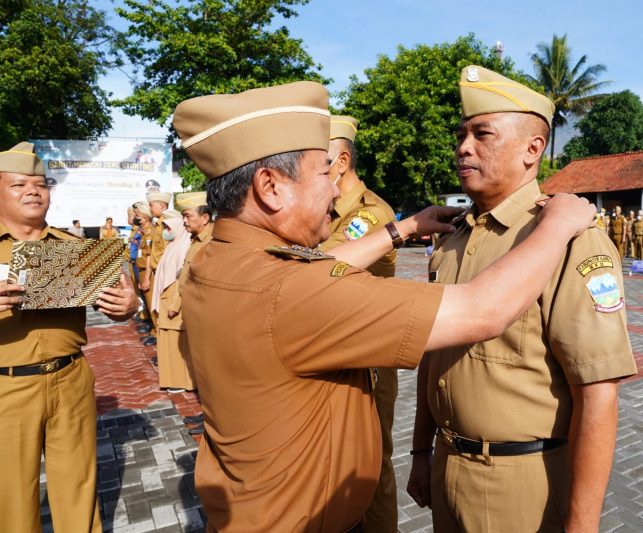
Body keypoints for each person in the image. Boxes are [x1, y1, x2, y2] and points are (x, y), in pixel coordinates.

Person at [172, 81, 596, 532]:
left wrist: (404, 227)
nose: (335, 193)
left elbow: (306, 273)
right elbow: (482, 311)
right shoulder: (288, 290)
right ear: (270, 187)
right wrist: (559, 225)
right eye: (323, 175)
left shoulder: (214, 261)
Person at [407, 65, 637, 533]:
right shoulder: (451, 239)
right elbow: (434, 359)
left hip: (521, 484)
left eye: (482, 134)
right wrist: (420, 452)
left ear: (533, 149)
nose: (463, 147)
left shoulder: (567, 237)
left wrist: (582, 523)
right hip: (448, 467)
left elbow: (596, 391)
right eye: (462, 135)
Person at [0, 142, 139, 532]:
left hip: (71, 379)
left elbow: (123, 306)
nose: (33, 191)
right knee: (11, 498)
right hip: (6, 387)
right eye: (18, 185)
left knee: (79, 487)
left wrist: (130, 305)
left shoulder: (76, 249)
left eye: (41, 184)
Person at [317, 115, 400, 533]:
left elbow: (321, 267)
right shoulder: (324, 209)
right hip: (334, 350)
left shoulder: (368, 214)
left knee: (371, 464)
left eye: (320, 161)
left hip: (366, 360)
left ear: (342, 161)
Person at [175, 191, 214, 432]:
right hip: (194, 315)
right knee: (203, 371)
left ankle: (213, 420)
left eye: (188, 215)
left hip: (206, 318)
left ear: (205, 218)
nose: (184, 221)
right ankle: (208, 414)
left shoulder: (212, 243)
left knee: (211, 373)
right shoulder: (196, 240)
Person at [151, 210, 195, 392]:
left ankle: (181, 381)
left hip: (174, 300)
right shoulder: (173, 245)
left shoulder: (186, 245)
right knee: (168, 342)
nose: (165, 231)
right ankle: (172, 379)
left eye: (169, 227)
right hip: (166, 299)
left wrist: (175, 304)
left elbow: (183, 279)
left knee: (177, 343)